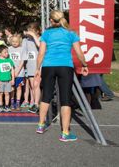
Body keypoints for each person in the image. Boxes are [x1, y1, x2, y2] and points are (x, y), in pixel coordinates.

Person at [35, 10, 88, 142]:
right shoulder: (71, 33)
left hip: (48, 66)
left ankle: (41, 125)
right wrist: (84, 65)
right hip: (65, 67)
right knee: (65, 99)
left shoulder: (46, 33)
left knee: (46, 95)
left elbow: (41, 53)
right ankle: (65, 133)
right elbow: (79, 52)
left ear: (52, 21)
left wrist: (37, 68)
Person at [22, 22, 41, 113]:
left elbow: (40, 46)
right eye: (29, 31)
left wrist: (33, 35)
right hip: (30, 66)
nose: (29, 33)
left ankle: (37, 103)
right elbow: (24, 54)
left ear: (37, 31)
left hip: (38, 67)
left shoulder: (40, 38)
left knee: (37, 85)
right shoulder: (25, 40)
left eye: (32, 31)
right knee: (33, 86)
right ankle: (35, 103)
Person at [8, 34, 27, 111]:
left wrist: (18, 71)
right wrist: (12, 72)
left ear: (19, 41)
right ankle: (12, 102)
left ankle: (18, 102)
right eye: (13, 41)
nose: (14, 43)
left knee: (19, 87)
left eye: (16, 41)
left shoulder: (22, 49)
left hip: (20, 72)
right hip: (10, 72)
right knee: (12, 87)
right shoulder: (9, 49)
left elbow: (22, 61)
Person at [0, 45, 15, 112]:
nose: (7, 53)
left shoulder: (9, 60)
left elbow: (12, 70)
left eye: (7, 52)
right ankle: (0, 105)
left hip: (8, 80)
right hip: (0, 80)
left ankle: (6, 106)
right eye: (5, 52)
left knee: (7, 93)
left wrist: (13, 79)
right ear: (0, 53)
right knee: (0, 93)